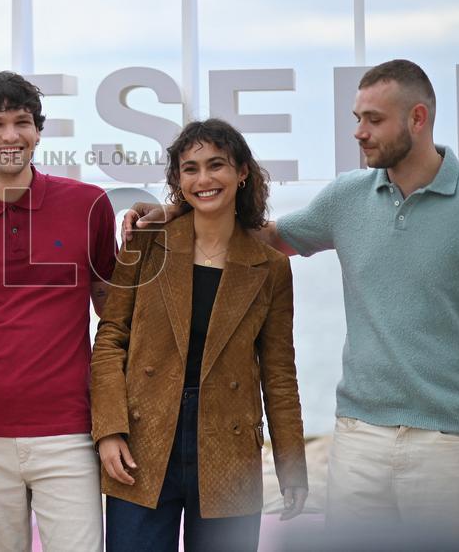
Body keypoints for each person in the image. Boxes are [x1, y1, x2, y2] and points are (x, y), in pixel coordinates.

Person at [126, 59, 459, 550]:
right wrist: (182, 206)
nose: (359, 132)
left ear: (418, 118)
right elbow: (263, 238)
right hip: (359, 436)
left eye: (373, 119)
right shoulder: (347, 196)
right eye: (356, 118)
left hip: (450, 442)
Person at [92, 119, 307, 551]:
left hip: (228, 447)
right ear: (177, 179)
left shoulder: (270, 266)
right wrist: (109, 430)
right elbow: (111, 336)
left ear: (242, 172)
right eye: (190, 169)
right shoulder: (147, 241)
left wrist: (292, 467)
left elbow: (279, 373)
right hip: (144, 439)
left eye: (216, 165)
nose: (204, 179)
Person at [0, 71, 117, 551]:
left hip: (71, 432)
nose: (11, 135)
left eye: (22, 121)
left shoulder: (89, 205)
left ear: (39, 130)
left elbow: (115, 316)